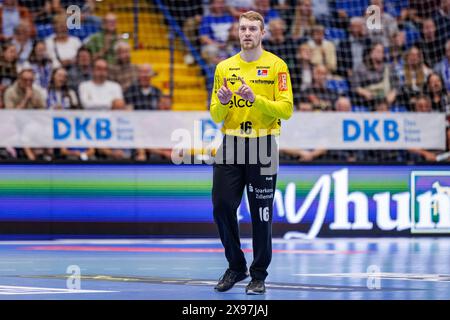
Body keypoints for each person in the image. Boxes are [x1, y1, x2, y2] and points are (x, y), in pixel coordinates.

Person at [210, 11, 293, 295]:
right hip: (231, 143)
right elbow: (215, 114)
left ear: (262, 33)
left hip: (264, 145)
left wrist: (254, 100)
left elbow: (286, 109)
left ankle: (258, 274)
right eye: (243, 28)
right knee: (222, 205)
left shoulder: (276, 66)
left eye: (253, 29)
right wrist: (222, 103)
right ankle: (236, 266)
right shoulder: (224, 67)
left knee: (262, 213)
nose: (247, 33)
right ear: (238, 33)